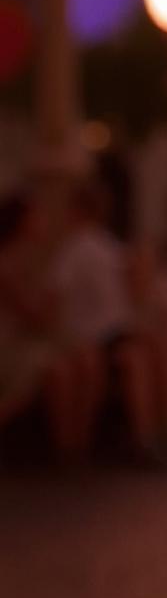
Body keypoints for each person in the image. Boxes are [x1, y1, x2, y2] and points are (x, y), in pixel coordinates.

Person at [47, 173, 167, 466]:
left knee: (153, 348)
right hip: (99, 336)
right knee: (150, 349)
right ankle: (161, 432)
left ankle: (162, 431)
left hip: (108, 332)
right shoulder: (93, 248)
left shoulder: (91, 248)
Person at [0, 188, 104, 463]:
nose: (45, 220)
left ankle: (78, 446)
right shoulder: (7, 264)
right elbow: (34, 317)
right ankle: (67, 449)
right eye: (38, 215)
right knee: (62, 369)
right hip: (12, 345)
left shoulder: (36, 258)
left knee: (86, 358)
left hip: (32, 338)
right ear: (22, 221)